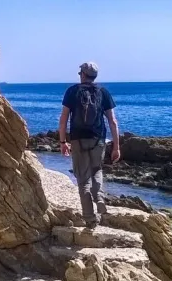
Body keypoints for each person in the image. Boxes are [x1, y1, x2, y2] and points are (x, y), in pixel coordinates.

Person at [58, 62, 120, 229]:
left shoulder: (72, 91)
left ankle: (90, 220)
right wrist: (116, 146)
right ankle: (99, 198)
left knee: (83, 180)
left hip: (78, 140)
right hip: (98, 139)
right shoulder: (103, 92)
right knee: (97, 170)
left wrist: (63, 142)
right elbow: (113, 122)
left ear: (82, 75)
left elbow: (63, 119)